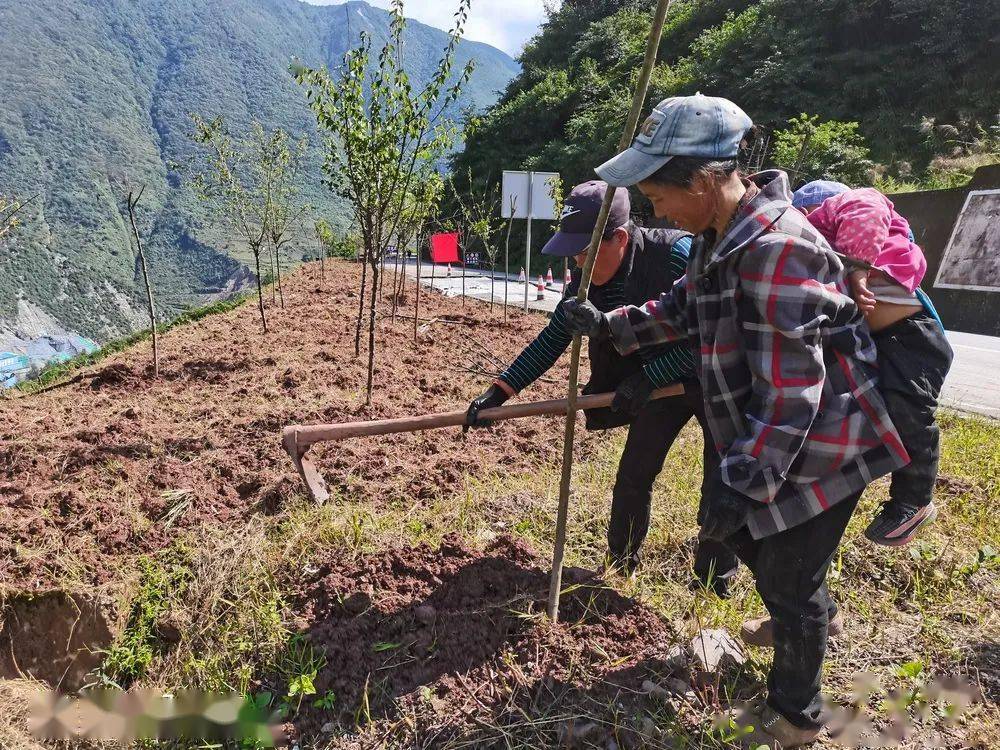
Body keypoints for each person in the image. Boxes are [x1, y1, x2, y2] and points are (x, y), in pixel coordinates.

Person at [561, 94, 909, 748]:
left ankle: (796, 715)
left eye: (658, 195)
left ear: (698, 182)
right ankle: (806, 619)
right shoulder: (715, 238)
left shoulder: (775, 246)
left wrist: (742, 479)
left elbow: (794, 388)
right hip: (774, 436)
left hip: (828, 440)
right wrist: (613, 327)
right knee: (748, 539)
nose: (654, 210)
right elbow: (681, 307)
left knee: (787, 572)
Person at [466, 179, 738, 591]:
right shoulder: (584, 286)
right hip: (656, 386)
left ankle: (713, 582)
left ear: (621, 239)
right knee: (634, 473)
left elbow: (713, 333)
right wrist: (499, 393)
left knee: (721, 477)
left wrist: (653, 375)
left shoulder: (676, 256)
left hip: (714, 378)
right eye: (574, 254)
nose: (578, 264)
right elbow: (551, 340)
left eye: (586, 252)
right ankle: (620, 564)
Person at [792, 180, 954, 546]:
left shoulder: (851, 206)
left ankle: (914, 499)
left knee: (909, 411)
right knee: (875, 418)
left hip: (912, 340)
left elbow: (867, 206)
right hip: (882, 343)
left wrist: (856, 265)